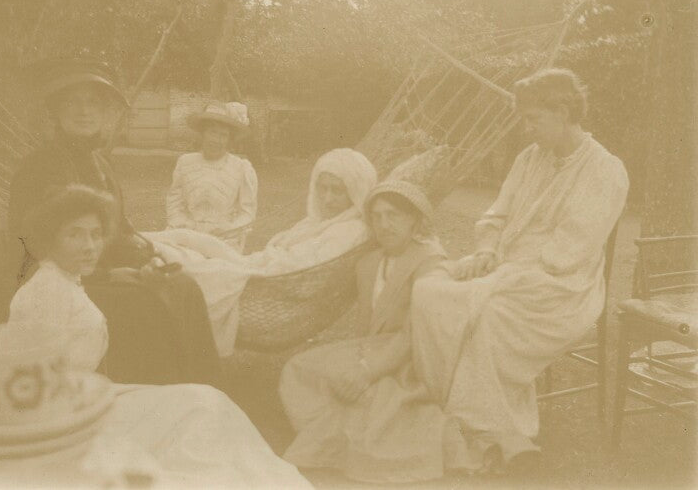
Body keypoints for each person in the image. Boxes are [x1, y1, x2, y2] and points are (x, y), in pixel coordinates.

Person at [410, 68, 629, 473]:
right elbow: (497, 214)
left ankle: (488, 429)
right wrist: (489, 248)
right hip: (510, 268)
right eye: (524, 119)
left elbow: (569, 252)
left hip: (561, 287)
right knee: (428, 292)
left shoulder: (605, 169)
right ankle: (453, 409)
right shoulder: (530, 158)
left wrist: (505, 272)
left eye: (535, 119)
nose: (527, 129)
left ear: (563, 112)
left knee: (482, 314)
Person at [2, 58, 220, 386]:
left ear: (104, 112)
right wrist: (109, 274)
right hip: (59, 283)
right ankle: (153, 393)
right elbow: (32, 249)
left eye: (92, 103)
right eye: (73, 102)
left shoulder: (100, 163)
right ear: (56, 112)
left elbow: (119, 227)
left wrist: (149, 258)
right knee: (146, 304)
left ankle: (198, 388)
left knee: (182, 286)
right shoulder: (38, 169)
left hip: (101, 270)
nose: (84, 111)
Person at [278, 178, 450, 483]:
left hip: (412, 359)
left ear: (414, 221)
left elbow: (415, 336)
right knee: (298, 367)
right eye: (377, 217)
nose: (385, 225)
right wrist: (357, 362)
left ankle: (344, 440)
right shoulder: (369, 263)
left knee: (374, 402)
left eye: (394, 215)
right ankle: (328, 430)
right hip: (374, 349)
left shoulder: (430, 263)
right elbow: (364, 330)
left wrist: (367, 371)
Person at [143, 148, 378, 356]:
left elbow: (300, 270)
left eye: (338, 191)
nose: (327, 198)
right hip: (258, 269)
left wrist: (255, 264)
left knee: (189, 261)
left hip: (264, 283)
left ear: (356, 192)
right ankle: (140, 240)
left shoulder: (350, 230)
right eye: (323, 188)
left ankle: (140, 245)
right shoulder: (320, 222)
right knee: (190, 240)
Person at [9, 185, 115, 371]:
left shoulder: (63, 280)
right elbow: (42, 375)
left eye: (95, 234)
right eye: (74, 234)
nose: (89, 246)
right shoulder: (49, 289)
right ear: (50, 239)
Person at [166, 101, 258, 251]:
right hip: (186, 234)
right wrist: (182, 224)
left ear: (229, 140)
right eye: (212, 132)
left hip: (224, 240)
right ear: (203, 133)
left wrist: (227, 228)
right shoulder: (185, 162)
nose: (216, 140)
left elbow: (247, 214)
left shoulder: (242, 168)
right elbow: (174, 202)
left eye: (223, 135)